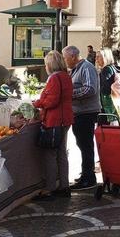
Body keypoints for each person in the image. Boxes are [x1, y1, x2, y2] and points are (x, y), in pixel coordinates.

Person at [32, 50, 74, 200]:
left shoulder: (54, 78)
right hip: (65, 119)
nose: (45, 67)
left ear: (50, 64)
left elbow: (51, 101)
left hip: (55, 120)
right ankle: (64, 185)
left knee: (50, 154)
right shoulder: (66, 76)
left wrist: (37, 103)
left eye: (45, 64)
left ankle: (50, 187)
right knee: (62, 153)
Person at [62, 45, 100, 191]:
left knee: (86, 145)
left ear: (73, 57)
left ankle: (89, 177)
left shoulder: (86, 67)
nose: (65, 61)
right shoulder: (76, 69)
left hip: (86, 112)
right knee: (82, 144)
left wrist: (70, 94)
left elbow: (90, 88)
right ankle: (86, 174)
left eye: (65, 58)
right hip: (79, 112)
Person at [96, 48, 120, 118]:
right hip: (114, 103)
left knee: (106, 127)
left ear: (105, 57)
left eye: (98, 57)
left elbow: (106, 89)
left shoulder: (106, 70)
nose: (96, 60)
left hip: (108, 105)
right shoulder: (113, 67)